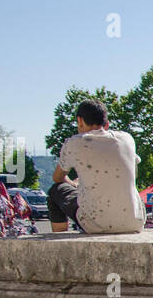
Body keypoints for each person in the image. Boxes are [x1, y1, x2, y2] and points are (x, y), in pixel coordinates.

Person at [49, 99, 147, 234]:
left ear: (80, 120)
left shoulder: (74, 143)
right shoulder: (127, 138)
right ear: (106, 124)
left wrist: (74, 184)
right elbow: (131, 175)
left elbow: (57, 178)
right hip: (135, 221)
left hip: (96, 223)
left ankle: (58, 241)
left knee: (55, 190)